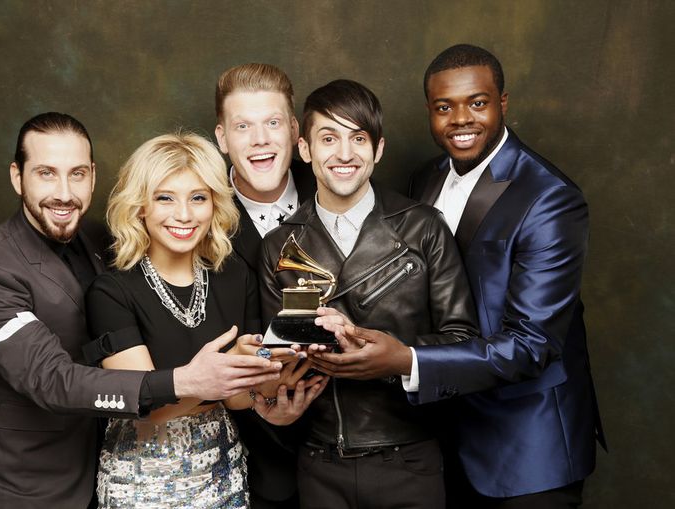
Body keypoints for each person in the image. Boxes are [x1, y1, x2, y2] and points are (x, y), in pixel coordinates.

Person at [0, 113, 282, 509]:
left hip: (108, 461)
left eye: (76, 174)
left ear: (92, 176)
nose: (64, 193)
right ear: (18, 177)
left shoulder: (94, 237)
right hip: (28, 479)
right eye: (46, 174)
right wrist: (186, 382)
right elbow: (54, 381)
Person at [331, 44, 604, 508]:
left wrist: (406, 360)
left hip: (528, 450)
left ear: (502, 103)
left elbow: (532, 345)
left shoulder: (550, 198)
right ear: (429, 111)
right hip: (444, 440)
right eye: (444, 107)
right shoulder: (425, 179)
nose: (461, 119)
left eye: (477, 103)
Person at [258, 79, 479, 509]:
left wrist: (392, 356)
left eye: (358, 138)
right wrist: (279, 368)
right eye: (328, 138)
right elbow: (273, 357)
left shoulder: (424, 228)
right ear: (305, 149)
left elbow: (464, 342)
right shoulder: (277, 246)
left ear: (378, 150)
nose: (344, 154)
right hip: (319, 463)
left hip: (410, 459)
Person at [84, 132, 326, 508]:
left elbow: (237, 400)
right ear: (140, 206)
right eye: (165, 198)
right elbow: (143, 405)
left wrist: (270, 390)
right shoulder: (110, 291)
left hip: (223, 471)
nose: (184, 214)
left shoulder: (235, 277)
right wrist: (220, 375)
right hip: (142, 478)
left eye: (198, 197)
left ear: (214, 204)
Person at [213, 62, 319, 509]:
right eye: (243, 126)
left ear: (294, 130)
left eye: (272, 122)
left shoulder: (339, 188)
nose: (260, 139)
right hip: (250, 466)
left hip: (346, 452)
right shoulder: (192, 215)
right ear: (222, 138)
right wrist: (260, 396)